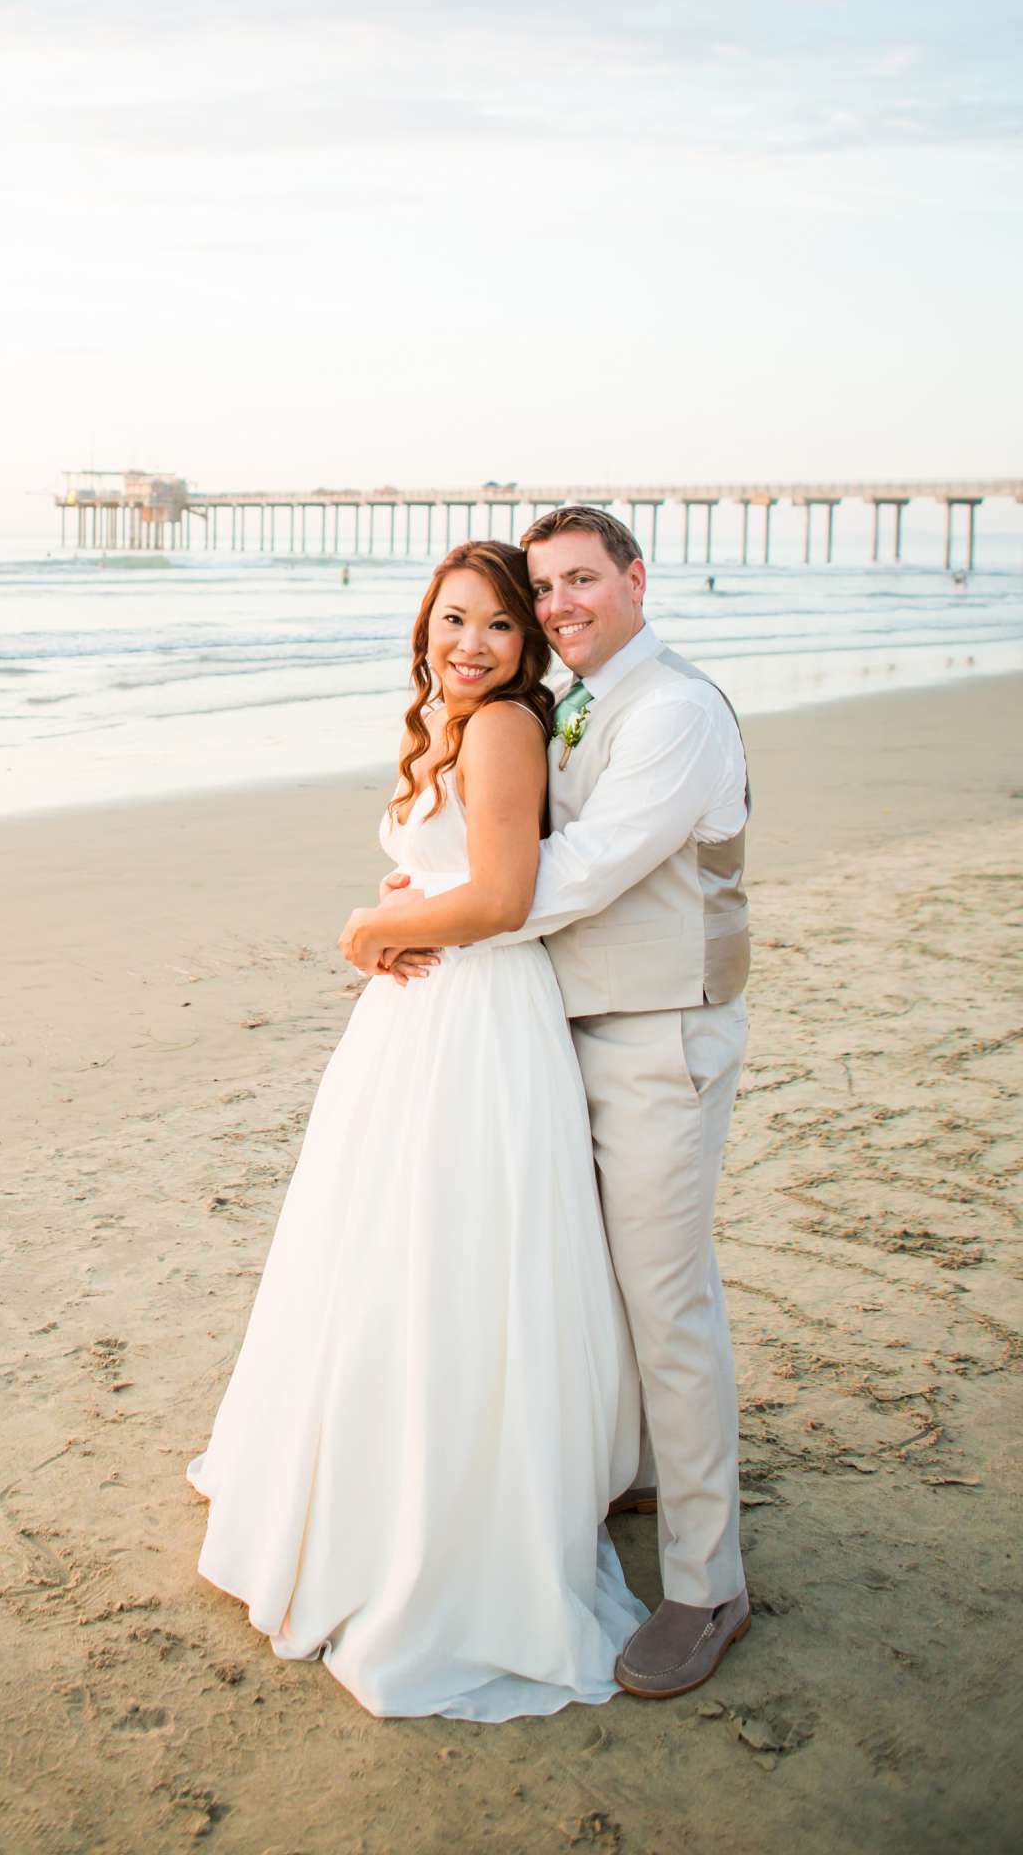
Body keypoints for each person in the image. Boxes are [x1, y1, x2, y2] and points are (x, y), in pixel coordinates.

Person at [186, 542, 647, 1722]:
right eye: (453, 620)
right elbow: (457, 878)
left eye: (499, 626)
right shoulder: (447, 717)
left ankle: (441, 1519)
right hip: (424, 1023)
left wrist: (366, 929)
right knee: (385, 1248)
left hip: (476, 1023)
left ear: (527, 643)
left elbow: (499, 896)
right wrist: (405, 917)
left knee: (449, 1255)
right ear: (424, 625)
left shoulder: (498, 728)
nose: (471, 645)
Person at [371, 505, 752, 1700]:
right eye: (544, 587)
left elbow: (570, 874)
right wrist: (442, 878)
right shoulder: (575, 698)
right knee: (582, 1268)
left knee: (664, 1292)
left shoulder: (677, 709)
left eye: (581, 579)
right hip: (557, 1023)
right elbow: (527, 838)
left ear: (638, 579)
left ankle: (706, 1583)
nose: (559, 605)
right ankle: (631, 1467)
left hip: (655, 1031)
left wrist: (432, 912)